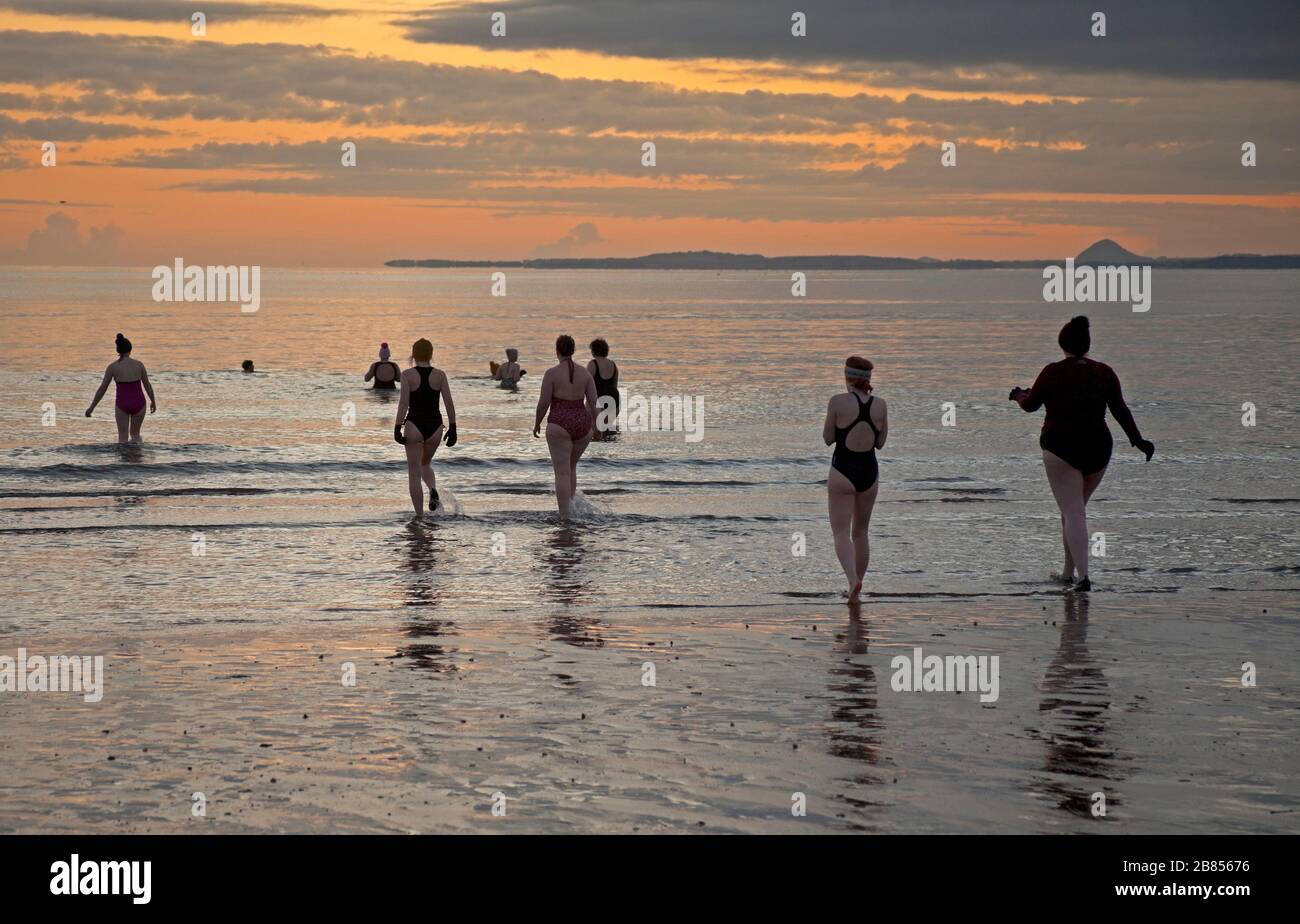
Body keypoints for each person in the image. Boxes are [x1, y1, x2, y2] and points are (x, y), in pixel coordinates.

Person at [1010, 315, 1154, 592]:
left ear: (1061, 342)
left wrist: (1018, 395)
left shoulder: (1052, 371)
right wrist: (1138, 441)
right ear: (1087, 344)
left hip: (1060, 447)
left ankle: (1084, 578)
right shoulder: (1104, 372)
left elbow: (1030, 405)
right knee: (1073, 510)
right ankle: (1068, 573)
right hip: (1098, 448)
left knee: (1072, 511)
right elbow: (1120, 410)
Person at [822, 355, 888, 602]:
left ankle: (852, 581)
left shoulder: (837, 402)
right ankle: (857, 590)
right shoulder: (880, 404)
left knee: (840, 532)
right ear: (867, 380)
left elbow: (828, 438)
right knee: (860, 533)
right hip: (870, 472)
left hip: (842, 471)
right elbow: (880, 443)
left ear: (847, 376)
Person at [533, 334, 598, 517]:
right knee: (571, 468)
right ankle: (571, 509)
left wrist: (537, 423)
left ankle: (565, 517)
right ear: (573, 350)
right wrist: (598, 426)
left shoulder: (551, 374)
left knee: (562, 473)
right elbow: (594, 403)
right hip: (582, 424)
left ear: (557, 351)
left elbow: (543, 403)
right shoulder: (585, 374)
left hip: (559, 423)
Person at [393, 338, 457, 515]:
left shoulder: (407, 375)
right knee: (426, 464)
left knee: (414, 473)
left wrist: (397, 427)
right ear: (431, 354)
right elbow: (449, 404)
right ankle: (432, 489)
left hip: (414, 426)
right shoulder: (440, 375)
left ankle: (419, 517)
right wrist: (453, 428)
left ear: (413, 354)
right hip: (436, 427)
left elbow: (403, 404)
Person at [85, 333, 156, 444]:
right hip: (139, 402)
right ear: (130, 349)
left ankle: (123, 461)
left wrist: (91, 407)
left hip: (122, 404)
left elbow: (102, 389)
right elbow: (147, 385)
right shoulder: (139, 365)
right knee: (135, 435)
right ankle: (138, 459)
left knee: (122, 438)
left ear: (118, 350)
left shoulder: (112, 367)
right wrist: (153, 401)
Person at [587, 338, 619, 438]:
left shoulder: (592, 364)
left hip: (599, 400)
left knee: (594, 432)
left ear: (593, 351)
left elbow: (587, 386)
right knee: (607, 430)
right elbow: (615, 385)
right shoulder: (613, 365)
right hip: (614, 401)